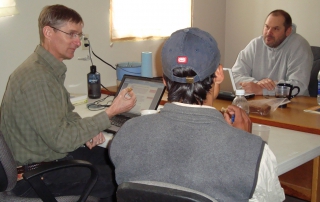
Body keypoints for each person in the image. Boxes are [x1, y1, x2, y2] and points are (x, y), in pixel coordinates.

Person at [109, 27, 285, 201]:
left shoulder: (126, 134)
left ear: (163, 80)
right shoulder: (254, 152)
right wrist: (240, 141)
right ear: (218, 74)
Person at [0, 4, 136, 202]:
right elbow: (61, 140)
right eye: (71, 34)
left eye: (79, 35)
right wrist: (110, 113)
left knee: (118, 158)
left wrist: (86, 130)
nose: (77, 42)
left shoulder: (45, 69)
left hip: (46, 158)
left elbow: (66, 114)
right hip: (36, 174)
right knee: (121, 178)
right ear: (48, 32)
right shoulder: (38, 78)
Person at [232, 9, 313, 96]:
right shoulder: (255, 45)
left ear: (288, 31)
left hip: (293, 105)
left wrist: (263, 90)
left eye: (276, 29)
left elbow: (299, 86)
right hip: (260, 103)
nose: (269, 33)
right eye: (267, 27)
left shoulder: (299, 46)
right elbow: (234, 76)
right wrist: (257, 84)